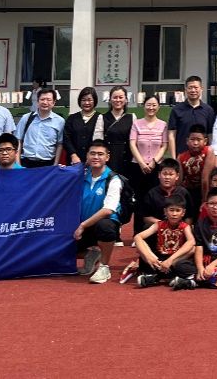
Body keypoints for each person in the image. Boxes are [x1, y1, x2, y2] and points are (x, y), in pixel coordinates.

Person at [77, 140, 125, 285]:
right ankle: (91, 254)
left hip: (99, 225)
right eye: (92, 153)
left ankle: (104, 267)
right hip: (82, 225)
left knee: (106, 226)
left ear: (107, 157)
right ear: (87, 156)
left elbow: (108, 210)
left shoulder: (113, 179)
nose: (96, 157)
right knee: (58, 246)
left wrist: (83, 226)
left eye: (100, 154)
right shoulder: (80, 175)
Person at [132, 192, 196, 289]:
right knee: (141, 248)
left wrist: (170, 260)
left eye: (178, 210)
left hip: (175, 260)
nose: (174, 214)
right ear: (165, 211)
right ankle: (158, 276)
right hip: (159, 260)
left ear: (183, 213)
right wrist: (151, 257)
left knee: (192, 249)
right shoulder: (158, 224)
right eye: (171, 210)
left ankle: (156, 277)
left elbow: (191, 242)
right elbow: (138, 237)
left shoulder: (185, 227)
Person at [130, 95, 169, 228]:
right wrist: (141, 163)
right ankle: (138, 231)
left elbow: (164, 145)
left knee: (155, 198)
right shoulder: (136, 124)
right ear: (143, 106)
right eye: (148, 104)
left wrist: (154, 162)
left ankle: (155, 230)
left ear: (158, 107)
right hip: (137, 167)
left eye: (154, 105)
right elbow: (132, 144)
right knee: (139, 199)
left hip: (156, 167)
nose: (151, 107)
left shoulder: (163, 125)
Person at [167, 75, 215, 156]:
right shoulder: (176, 109)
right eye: (190, 88)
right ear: (186, 90)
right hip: (181, 155)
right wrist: (174, 158)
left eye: (196, 87)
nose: (193, 90)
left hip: (202, 157)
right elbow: (171, 135)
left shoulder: (208, 110)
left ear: (201, 89)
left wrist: (211, 155)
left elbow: (210, 135)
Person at [62, 86, 103, 164]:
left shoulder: (100, 118)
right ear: (79, 101)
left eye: (89, 100)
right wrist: (73, 155)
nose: (86, 103)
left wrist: (92, 156)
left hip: (94, 161)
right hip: (73, 161)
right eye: (83, 100)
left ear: (95, 101)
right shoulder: (72, 118)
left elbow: (101, 141)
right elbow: (66, 138)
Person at [142, 158, 189, 223]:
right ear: (159, 175)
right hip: (157, 226)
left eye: (171, 174)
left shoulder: (183, 192)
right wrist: (164, 225)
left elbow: (189, 216)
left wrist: (184, 227)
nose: (167, 177)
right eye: (164, 174)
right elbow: (146, 217)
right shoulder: (151, 194)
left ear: (177, 176)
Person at [102, 87, 135, 179]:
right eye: (115, 97)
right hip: (108, 159)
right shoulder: (102, 118)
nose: (118, 100)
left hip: (127, 159)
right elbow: (98, 141)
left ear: (126, 99)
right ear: (110, 100)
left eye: (121, 97)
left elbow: (134, 141)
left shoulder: (132, 117)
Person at [178, 126, 212, 203]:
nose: (195, 143)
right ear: (187, 141)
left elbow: (205, 179)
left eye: (199, 140)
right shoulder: (181, 157)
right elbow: (179, 182)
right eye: (192, 139)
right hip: (189, 190)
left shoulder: (209, 152)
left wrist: (205, 201)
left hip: (206, 188)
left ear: (205, 141)